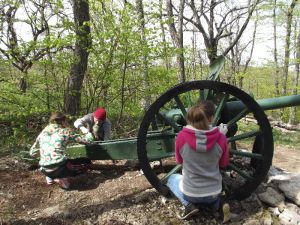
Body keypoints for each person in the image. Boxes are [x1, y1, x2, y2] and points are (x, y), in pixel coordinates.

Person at [166, 100, 230, 221]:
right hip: (213, 193)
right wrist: (222, 137)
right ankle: (218, 205)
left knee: (171, 179)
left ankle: (189, 205)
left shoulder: (181, 137)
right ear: (211, 118)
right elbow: (224, 163)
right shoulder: (221, 138)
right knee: (214, 194)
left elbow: (179, 161)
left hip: (191, 194)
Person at [30, 112, 94, 189]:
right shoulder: (65, 131)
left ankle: (50, 177)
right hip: (60, 168)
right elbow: (88, 140)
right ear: (63, 121)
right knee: (86, 162)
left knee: (54, 164)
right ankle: (61, 178)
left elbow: (32, 153)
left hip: (44, 169)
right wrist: (87, 132)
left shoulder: (43, 132)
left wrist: (47, 156)